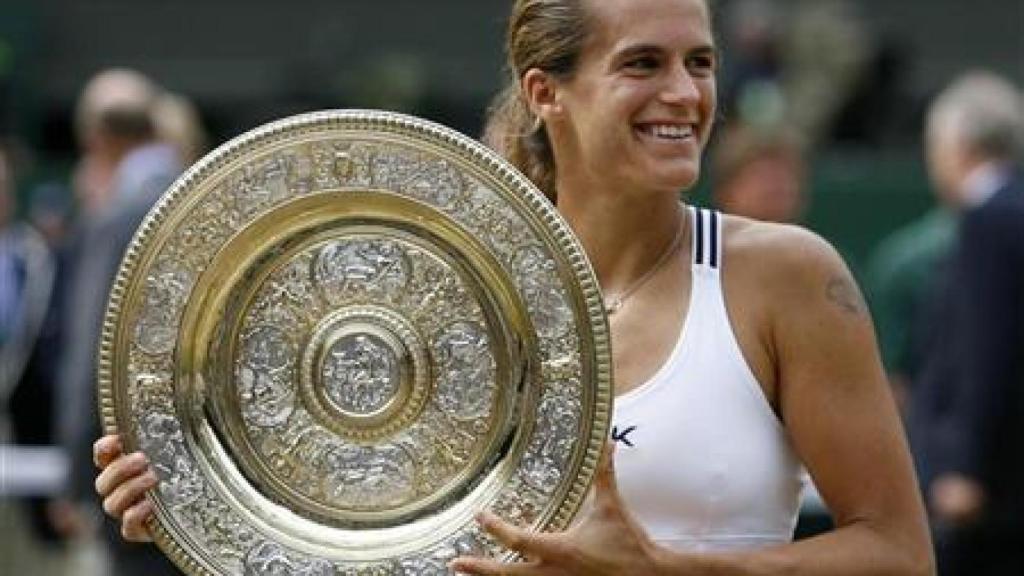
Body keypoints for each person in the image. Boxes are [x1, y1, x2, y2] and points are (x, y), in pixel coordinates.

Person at [93, 0, 933, 574]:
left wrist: (665, 572)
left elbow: (898, 553)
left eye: (700, 61)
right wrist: (191, 507)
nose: (685, 93)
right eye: (643, 63)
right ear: (546, 92)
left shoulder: (786, 277)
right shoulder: (435, 306)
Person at [59, 68, 184, 576]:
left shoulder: (114, 218)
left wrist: (73, 481)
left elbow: (89, 359)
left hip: (134, 495)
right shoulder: (209, 199)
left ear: (95, 138)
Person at [907, 71, 1024, 576]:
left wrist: (965, 468)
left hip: (988, 491)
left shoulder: (986, 218)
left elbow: (987, 349)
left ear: (955, 145)